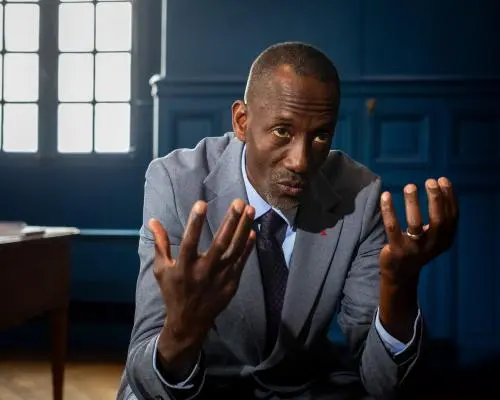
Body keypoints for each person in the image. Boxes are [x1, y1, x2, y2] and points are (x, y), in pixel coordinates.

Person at [117, 42, 459, 400]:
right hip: (195, 389)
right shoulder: (176, 182)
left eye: (320, 135)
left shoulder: (360, 195)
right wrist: (183, 327)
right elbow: (145, 371)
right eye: (283, 131)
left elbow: (383, 382)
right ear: (242, 122)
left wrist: (399, 286)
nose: (301, 161)